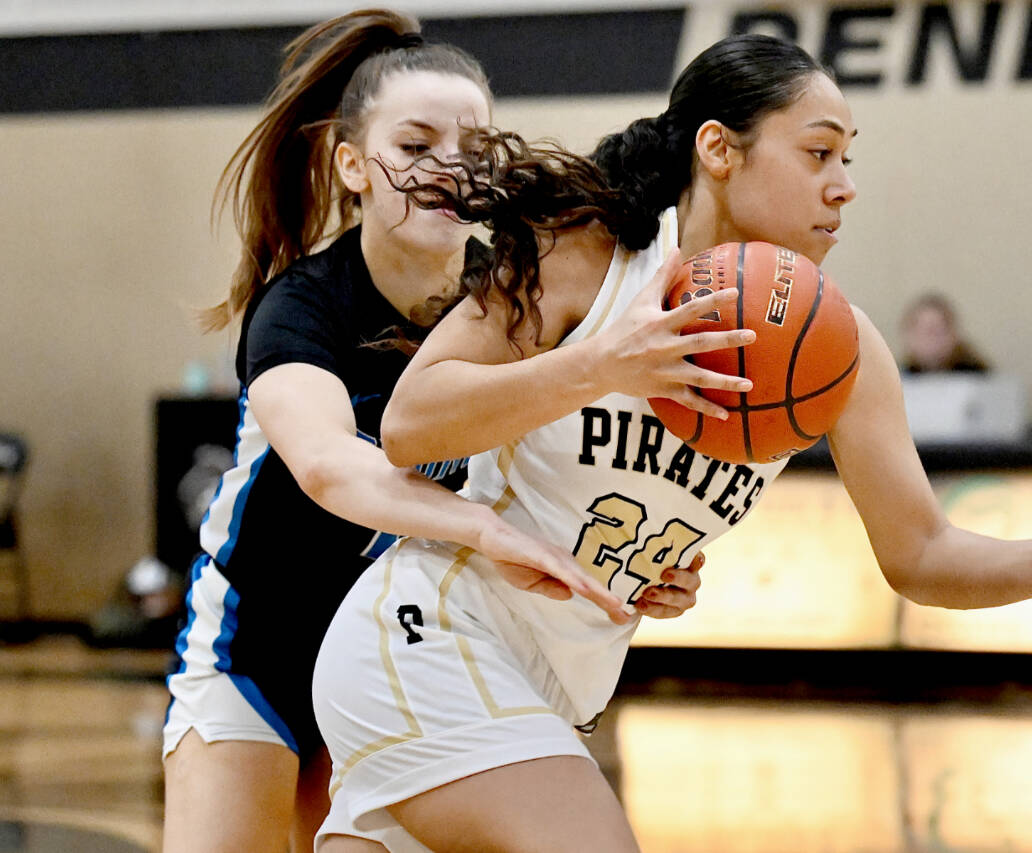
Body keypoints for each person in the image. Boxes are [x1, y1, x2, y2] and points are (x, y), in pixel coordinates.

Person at [311, 33, 1032, 853]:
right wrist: (599, 366)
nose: (844, 186)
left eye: (849, 159)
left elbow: (920, 551)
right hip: (432, 635)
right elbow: (410, 425)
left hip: (554, 685)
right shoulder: (591, 253)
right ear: (718, 148)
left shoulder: (842, 349)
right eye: (818, 154)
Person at [160, 11, 708, 853]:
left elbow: (573, 467)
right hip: (258, 647)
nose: (448, 168)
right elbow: (331, 469)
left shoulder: (515, 300)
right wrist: (481, 528)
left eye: (473, 144)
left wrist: (636, 561)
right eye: (415, 146)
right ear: (353, 167)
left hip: (400, 650)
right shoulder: (302, 306)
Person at [899, 292, 989, 373]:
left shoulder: (977, 376)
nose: (932, 340)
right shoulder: (897, 378)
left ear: (953, 334)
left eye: (938, 331)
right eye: (925, 332)